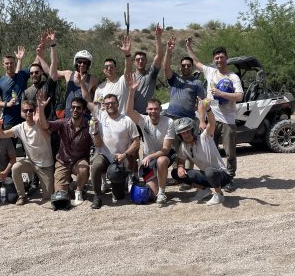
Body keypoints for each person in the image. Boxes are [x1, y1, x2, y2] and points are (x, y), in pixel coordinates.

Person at [186, 37, 243, 192]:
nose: (219, 60)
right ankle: (214, 177)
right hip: (212, 120)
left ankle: (229, 178)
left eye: (222, 57)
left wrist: (221, 93)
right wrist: (189, 47)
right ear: (214, 60)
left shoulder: (233, 77)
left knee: (230, 152)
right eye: (216, 58)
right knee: (210, 151)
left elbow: (239, 96)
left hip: (228, 120)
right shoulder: (210, 72)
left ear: (226, 58)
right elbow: (196, 62)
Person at [0, 100, 54, 205]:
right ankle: (22, 196)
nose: (28, 112)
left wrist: (40, 114)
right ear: (22, 112)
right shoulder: (20, 127)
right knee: (15, 168)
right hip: (31, 162)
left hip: (45, 165)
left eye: (31, 110)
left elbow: (47, 132)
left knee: (48, 197)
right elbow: (1, 134)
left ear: (35, 111)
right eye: (25, 110)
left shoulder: (41, 124)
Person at [125, 74, 175, 205]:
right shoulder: (143, 120)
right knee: (152, 195)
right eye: (150, 109)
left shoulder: (168, 122)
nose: (153, 111)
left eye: (156, 109)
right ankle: (157, 187)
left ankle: (162, 193)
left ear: (160, 109)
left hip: (161, 157)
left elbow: (165, 150)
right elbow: (129, 111)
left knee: (162, 160)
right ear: (147, 110)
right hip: (149, 161)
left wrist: (150, 156)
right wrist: (131, 91)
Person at [163, 35, 206, 189]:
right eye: (183, 65)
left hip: (188, 120)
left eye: (189, 65)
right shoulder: (175, 79)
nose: (186, 67)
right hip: (172, 118)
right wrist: (169, 51)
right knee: (175, 149)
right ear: (180, 67)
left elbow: (202, 102)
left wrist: (202, 120)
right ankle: (178, 176)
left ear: (192, 67)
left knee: (189, 148)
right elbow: (166, 68)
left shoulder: (197, 83)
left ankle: (188, 178)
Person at [171, 101, 232, 205]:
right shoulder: (184, 146)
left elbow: (212, 122)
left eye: (187, 131)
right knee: (175, 172)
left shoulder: (205, 137)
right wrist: (180, 167)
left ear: (192, 130)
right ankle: (204, 190)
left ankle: (219, 195)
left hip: (221, 175)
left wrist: (208, 109)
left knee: (209, 171)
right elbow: (181, 160)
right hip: (206, 175)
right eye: (182, 133)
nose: (185, 135)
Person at [85, 94, 140, 209]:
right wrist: (94, 132)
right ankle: (97, 196)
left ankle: (121, 182)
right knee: (95, 165)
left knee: (119, 197)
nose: (110, 105)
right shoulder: (100, 118)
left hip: (119, 159)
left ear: (118, 104)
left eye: (113, 103)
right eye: (107, 103)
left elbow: (136, 142)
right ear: (104, 106)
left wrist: (124, 155)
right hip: (104, 156)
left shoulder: (127, 120)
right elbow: (98, 144)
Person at [39, 95, 92, 206]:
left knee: (84, 168)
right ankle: (70, 185)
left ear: (83, 110)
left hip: (79, 161)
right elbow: (45, 125)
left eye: (78, 108)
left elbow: (97, 143)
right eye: (73, 107)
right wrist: (41, 108)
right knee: (60, 195)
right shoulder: (63, 123)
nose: (75, 110)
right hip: (63, 161)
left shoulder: (88, 127)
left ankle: (79, 191)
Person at [53, 46, 99, 118]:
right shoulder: (68, 74)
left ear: (88, 64)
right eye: (80, 62)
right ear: (76, 62)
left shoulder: (92, 80)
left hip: (85, 119)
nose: (82, 64)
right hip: (68, 117)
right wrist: (41, 56)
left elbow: (96, 101)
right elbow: (51, 72)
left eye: (85, 62)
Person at [0, 51, 32, 131]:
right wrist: (7, 104)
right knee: (10, 143)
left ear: (15, 64)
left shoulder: (22, 75)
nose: (9, 65)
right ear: (3, 65)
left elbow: (35, 65)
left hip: (25, 119)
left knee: (25, 143)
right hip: (9, 121)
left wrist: (41, 50)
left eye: (11, 63)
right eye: (6, 63)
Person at [93, 36, 133, 114]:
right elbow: (97, 109)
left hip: (121, 122)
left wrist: (127, 54)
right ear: (103, 70)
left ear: (116, 69)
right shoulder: (99, 88)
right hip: (106, 124)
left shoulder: (122, 81)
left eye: (111, 67)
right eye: (106, 67)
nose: (109, 69)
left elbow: (128, 67)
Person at [132, 23, 164, 114]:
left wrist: (158, 37)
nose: (140, 61)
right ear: (134, 62)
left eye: (143, 59)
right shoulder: (129, 78)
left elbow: (159, 55)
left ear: (146, 61)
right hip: (132, 116)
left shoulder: (150, 74)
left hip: (148, 116)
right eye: (138, 59)